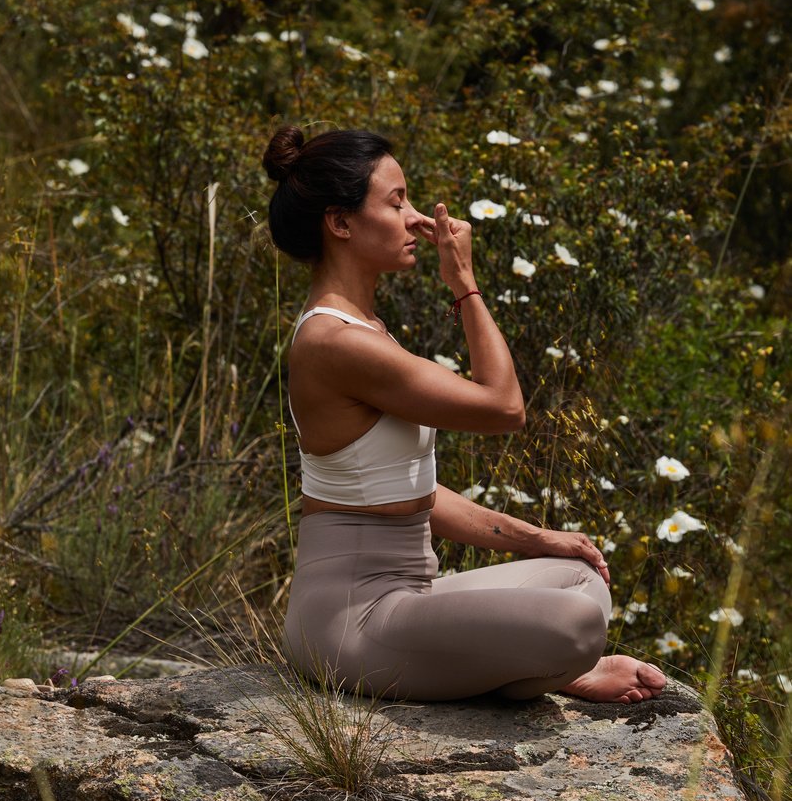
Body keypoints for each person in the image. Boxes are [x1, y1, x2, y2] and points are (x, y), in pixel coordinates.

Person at [263, 123, 665, 704]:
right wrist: (464, 282)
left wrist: (540, 538)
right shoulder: (337, 343)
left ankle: (525, 666)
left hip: (410, 598)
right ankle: (559, 671)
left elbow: (418, 494)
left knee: (583, 581)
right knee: (579, 626)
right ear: (341, 222)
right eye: (397, 202)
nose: (416, 218)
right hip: (350, 622)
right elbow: (504, 407)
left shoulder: (369, 330)